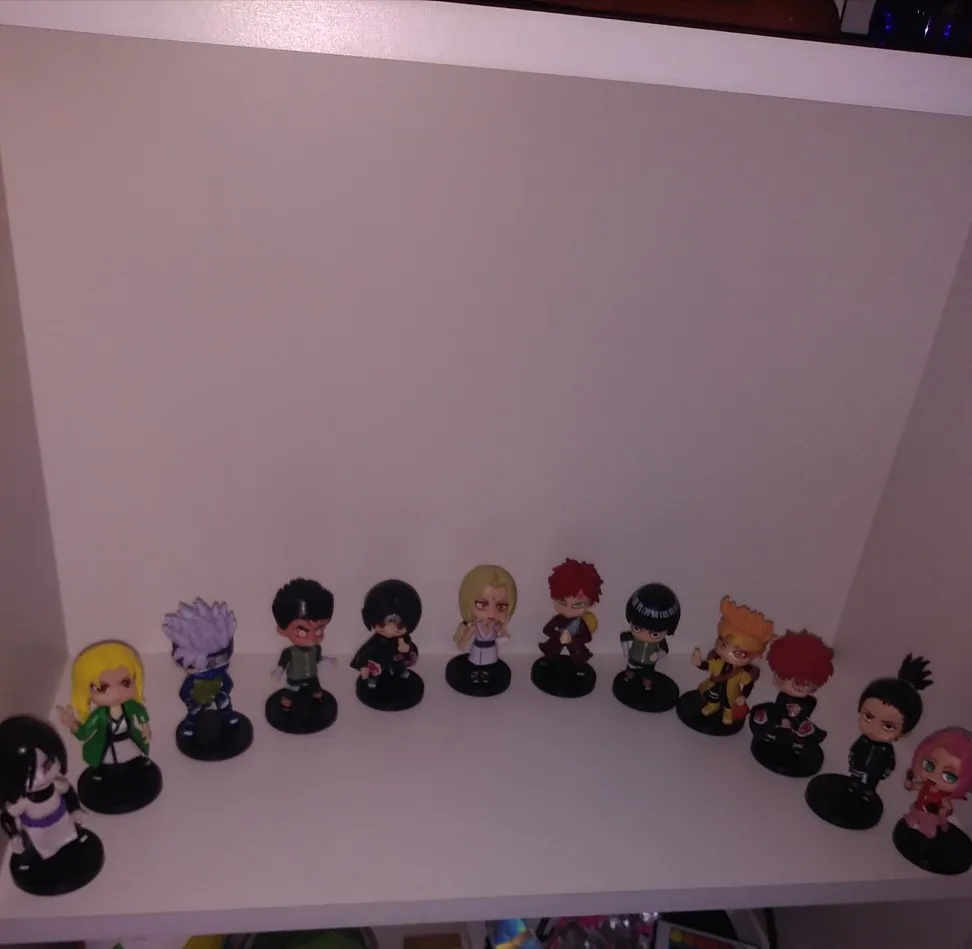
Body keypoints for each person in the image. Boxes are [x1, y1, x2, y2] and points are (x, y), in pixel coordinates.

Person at [57, 640, 152, 775]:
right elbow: (84, 733)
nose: (116, 692)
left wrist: (145, 727)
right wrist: (72, 724)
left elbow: (140, 711)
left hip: (129, 742)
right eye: (102, 688)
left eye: (125, 683)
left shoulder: (130, 706)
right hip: (107, 747)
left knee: (133, 764)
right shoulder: (98, 715)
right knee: (110, 770)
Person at [848, 654, 933, 800]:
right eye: (868, 717)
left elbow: (889, 764)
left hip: (873, 775)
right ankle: (853, 789)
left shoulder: (886, 749)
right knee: (854, 783)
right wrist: (852, 760)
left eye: (888, 726)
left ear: (904, 732)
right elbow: (854, 751)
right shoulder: (863, 740)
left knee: (868, 787)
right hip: (857, 769)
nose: (874, 729)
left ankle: (866, 794)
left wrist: (884, 773)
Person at [690, 595, 774, 727]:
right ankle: (713, 705)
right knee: (712, 696)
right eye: (722, 643)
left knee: (729, 703)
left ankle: (728, 712)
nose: (727, 653)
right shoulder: (718, 662)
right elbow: (708, 666)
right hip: (714, 687)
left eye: (738, 653)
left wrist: (743, 696)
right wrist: (699, 663)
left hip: (731, 695)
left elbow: (748, 684)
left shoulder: (740, 672)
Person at [750, 629, 834, 756]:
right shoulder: (783, 695)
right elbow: (779, 707)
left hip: (796, 723)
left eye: (801, 684)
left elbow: (808, 707)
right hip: (780, 720)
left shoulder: (808, 700)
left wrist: (799, 711)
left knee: (797, 731)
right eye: (782, 676)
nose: (796, 687)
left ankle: (802, 737)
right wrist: (781, 719)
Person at [271, 578, 336, 711]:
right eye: (302, 632)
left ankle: (318, 698)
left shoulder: (316, 648)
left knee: (316, 688)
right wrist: (278, 671)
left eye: (318, 630)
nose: (312, 638)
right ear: (282, 630)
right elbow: (282, 664)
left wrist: (328, 661)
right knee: (290, 691)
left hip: (312, 675)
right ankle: (285, 704)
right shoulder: (290, 652)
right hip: (295, 677)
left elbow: (318, 659)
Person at [902, 727, 972, 839]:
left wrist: (941, 811)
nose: (934, 777)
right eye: (929, 765)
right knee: (911, 823)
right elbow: (911, 786)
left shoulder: (943, 797)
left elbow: (947, 809)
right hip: (917, 810)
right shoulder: (925, 785)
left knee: (927, 831)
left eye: (949, 777)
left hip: (931, 817)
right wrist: (909, 782)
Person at [351, 579, 422, 689]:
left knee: (398, 666)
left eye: (399, 627)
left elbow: (411, 652)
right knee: (375, 672)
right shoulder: (375, 642)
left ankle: (400, 672)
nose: (390, 630)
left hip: (396, 661)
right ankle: (373, 679)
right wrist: (363, 666)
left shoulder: (403, 638)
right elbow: (364, 653)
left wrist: (407, 649)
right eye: (382, 625)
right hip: (379, 662)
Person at [453, 565, 516, 684]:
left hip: (491, 649)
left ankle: (485, 675)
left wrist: (504, 633)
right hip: (478, 649)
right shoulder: (475, 626)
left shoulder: (496, 626)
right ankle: (476, 674)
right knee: (476, 663)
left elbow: (503, 633)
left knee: (488, 664)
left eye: (501, 607)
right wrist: (462, 642)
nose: (492, 613)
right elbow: (466, 637)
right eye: (482, 605)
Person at [538, 559, 603, 670]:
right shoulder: (559, 619)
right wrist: (558, 635)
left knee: (578, 657)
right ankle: (548, 661)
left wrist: (572, 639)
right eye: (562, 602)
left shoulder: (580, 623)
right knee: (551, 651)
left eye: (578, 605)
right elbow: (546, 629)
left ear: (590, 604)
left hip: (575, 647)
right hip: (557, 642)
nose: (568, 610)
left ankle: (580, 669)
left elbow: (587, 637)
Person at [620, 583, 680, 690]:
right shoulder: (632, 637)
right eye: (637, 628)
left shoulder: (659, 642)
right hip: (634, 658)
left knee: (648, 676)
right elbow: (624, 639)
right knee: (630, 670)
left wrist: (657, 654)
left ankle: (647, 686)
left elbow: (664, 651)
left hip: (649, 663)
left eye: (654, 634)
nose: (644, 635)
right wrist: (626, 651)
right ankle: (627, 679)